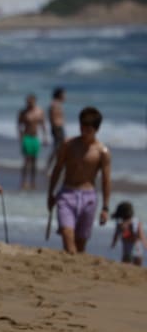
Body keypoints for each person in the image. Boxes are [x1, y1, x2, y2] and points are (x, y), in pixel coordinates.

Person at [47, 107, 111, 254]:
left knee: (81, 244)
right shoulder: (68, 145)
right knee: (67, 235)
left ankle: (73, 266)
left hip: (89, 197)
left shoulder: (102, 152)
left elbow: (106, 181)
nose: (84, 132)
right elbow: (57, 169)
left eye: (88, 129)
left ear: (96, 129)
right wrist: (50, 194)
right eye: (82, 127)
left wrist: (105, 208)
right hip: (67, 194)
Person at [17, 94, 47, 190]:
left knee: (34, 161)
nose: (29, 103)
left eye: (31, 101)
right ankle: (24, 181)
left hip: (35, 138)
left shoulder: (39, 111)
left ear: (35, 101)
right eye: (28, 102)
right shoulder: (23, 112)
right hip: (27, 137)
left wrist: (45, 137)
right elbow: (19, 125)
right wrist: (21, 136)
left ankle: (33, 181)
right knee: (27, 160)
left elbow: (43, 124)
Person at [46, 87, 66, 171]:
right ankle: (50, 167)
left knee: (59, 149)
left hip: (58, 128)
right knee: (57, 148)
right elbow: (52, 117)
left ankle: (55, 166)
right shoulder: (55, 104)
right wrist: (56, 129)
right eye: (63, 94)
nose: (65, 96)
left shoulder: (57, 104)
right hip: (57, 128)